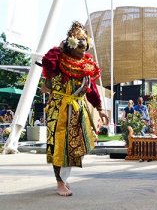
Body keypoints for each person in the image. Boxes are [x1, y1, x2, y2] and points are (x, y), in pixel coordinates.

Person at [41, 21, 109, 196]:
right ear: (70, 44)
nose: (83, 47)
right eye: (79, 43)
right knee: (59, 146)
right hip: (59, 110)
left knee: (77, 146)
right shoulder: (58, 62)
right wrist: (59, 47)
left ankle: (64, 178)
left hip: (78, 110)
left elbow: (91, 89)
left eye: (85, 44)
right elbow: (47, 61)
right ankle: (59, 182)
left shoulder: (86, 65)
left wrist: (100, 108)